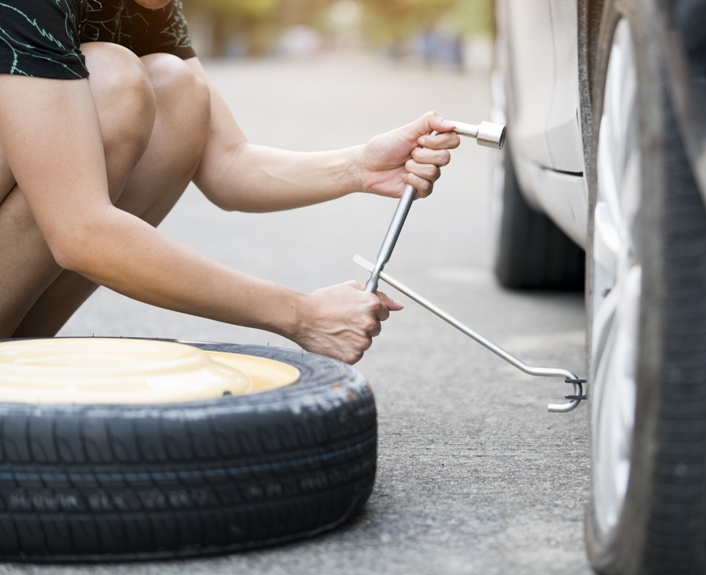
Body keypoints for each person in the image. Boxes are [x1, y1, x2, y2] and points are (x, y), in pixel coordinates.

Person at [0, 0, 461, 364]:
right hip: (73, 223)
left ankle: (16, 354)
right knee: (114, 79)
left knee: (177, 90)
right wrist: (298, 314)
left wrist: (360, 166)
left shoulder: (148, 6)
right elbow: (80, 230)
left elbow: (227, 164)